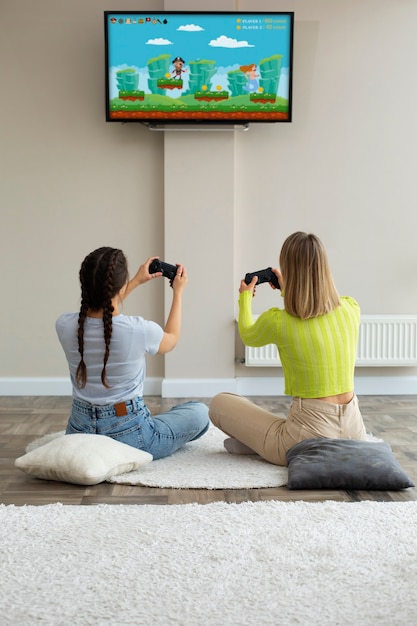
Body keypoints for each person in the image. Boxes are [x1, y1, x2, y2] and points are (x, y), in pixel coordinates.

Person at [209, 231, 367, 466]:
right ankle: (258, 444)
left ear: (288, 270)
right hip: (355, 434)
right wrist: (287, 290)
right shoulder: (351, 308)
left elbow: (248, 334)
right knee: (266, 428)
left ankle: (263, 446)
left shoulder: (278, 321)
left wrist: (245, 298)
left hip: (304, 440)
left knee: (220, 403)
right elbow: (314, 314)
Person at [56, 247, 209, 460]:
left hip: (79, 430)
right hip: (130, 434)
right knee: (199, 412)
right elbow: (171, 339)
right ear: (119, 286)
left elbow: (104, 306)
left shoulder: (64, 325)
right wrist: (178, 292)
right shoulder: (138, 329)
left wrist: (136, 281)